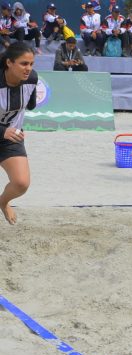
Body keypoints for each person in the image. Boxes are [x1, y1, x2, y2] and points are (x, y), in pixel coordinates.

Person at [0, 42, 37, 225]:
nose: (28, 68)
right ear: (9, 63)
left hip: (11, 138)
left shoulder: (31, 79)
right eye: (23, 63)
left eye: (31, 64)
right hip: (3, 133)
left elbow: (30, 104)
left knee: (21, 184)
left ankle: (3, 202)